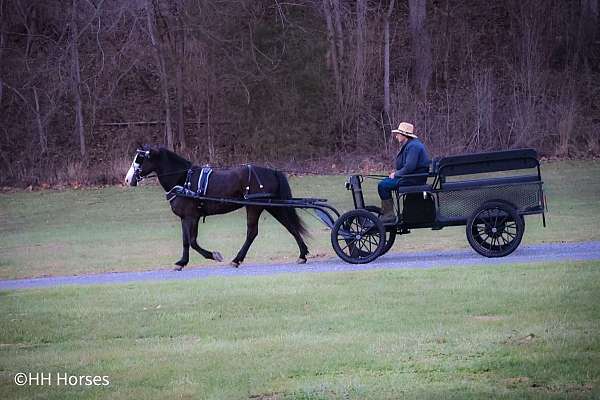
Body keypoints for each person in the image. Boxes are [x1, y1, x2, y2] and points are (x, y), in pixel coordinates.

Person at [378, 122, 430, 223]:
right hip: (410, 177)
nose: (396, 136)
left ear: (404, 135)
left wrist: (396, 174)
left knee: (383, 185)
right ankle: (389, 214)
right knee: (385, 182)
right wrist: (396, 173)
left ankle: (389, 215)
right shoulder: (410, 145)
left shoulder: (413, 146)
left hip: (413, 179)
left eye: (398, 134)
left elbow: (409, 167)